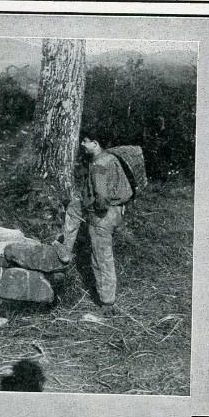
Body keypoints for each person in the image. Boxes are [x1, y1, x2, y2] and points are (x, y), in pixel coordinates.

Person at [54, 131, 133, 310]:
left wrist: (96, 214)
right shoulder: (110, 158)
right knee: (74, 207)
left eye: (85, 141)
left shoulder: (99, 165)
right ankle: (66, 248)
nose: (82, 144)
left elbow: (102, 196)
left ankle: (107, 301)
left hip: (104, 214)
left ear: (95, 143)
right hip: (117, 210)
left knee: (101, 257)